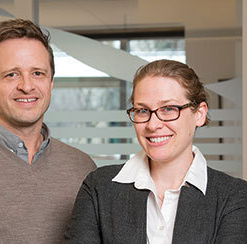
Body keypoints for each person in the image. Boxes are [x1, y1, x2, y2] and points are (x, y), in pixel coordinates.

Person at [65, 59, 247, 243]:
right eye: (143, 110)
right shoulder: (98, 187)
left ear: (199, 114)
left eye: (168, 109)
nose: (153, 125)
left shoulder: (234, 196)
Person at [0, 18, 96, 243]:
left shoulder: (83, 168)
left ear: (51, 83)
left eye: (38, 73)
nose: (27, 86)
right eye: (11, 74)